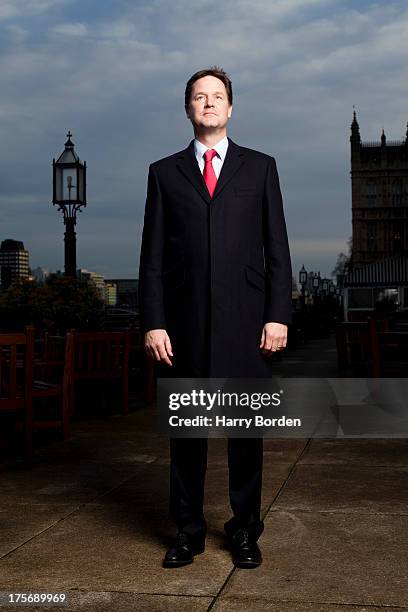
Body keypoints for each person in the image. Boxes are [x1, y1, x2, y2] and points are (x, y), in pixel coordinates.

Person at [138, 67, 292, 568]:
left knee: (246, 437)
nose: (208, 103)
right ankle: (187, 531)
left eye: (217, 96)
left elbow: (277, 249)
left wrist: (277, 315)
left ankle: (246, 531)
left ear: (231, 108)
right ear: (188, 109)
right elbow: (152, 257)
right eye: (199, 97)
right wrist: (154, 321)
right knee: (188, 436)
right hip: (184, 327)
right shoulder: (163, 173)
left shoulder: (261, 168)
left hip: (248, 323)